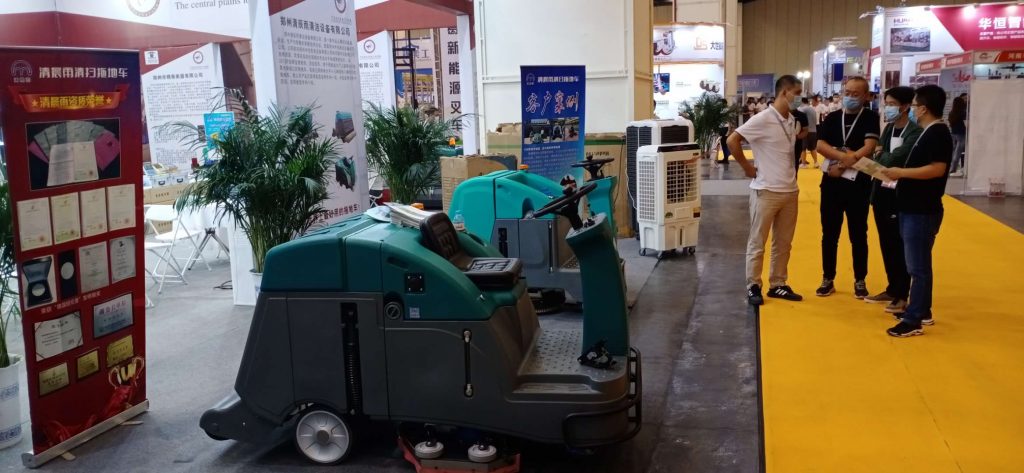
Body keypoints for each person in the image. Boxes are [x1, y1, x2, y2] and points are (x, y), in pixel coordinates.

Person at [878, 84, 953, 337]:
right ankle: (922, 310)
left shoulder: (937, 133)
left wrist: (901, 172)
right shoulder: (928, 132)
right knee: (918, 264)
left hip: (922, 209)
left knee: (917, 267)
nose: (912, 110)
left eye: (915, 106)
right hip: (912, 206)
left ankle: (913, 320)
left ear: (923, 109)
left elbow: (937, 169)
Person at [727, 75, 805, 306]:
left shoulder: (791, 119)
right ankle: (753, 284)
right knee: (758, 241)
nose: (799, 98)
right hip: (766, 190)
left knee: (784, 242)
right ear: (784, 92)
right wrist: (747, 167)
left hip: (790, 190)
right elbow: (733, 140)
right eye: (797, 93)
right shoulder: (763, 118)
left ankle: (778, 283)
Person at [815, 76, 880, 299]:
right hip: (831, 185)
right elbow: (820, 145)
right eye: (847, 93)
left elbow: (869, 146)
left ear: (866, 96)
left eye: (856, 94)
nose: (850, 97)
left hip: (859, 186)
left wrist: (843, 163)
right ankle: (827, 278)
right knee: (829, 234)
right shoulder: (833, 117)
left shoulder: (870, 117)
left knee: (858, 234)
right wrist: (845, 157)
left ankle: (860, 279)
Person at [859, 87, 921, 313]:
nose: (888, 108)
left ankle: (902, 293)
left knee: (899, 245)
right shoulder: (888, 128)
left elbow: (896, 159)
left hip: (899, 194)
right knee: (886, 243)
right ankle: (892, 287)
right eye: (887, 104)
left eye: (892, 104)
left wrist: (880, 155)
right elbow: (879, 156)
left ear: (905, 106)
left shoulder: (914, 132)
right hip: (881, 192)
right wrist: (881, 156)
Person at [948, 95, 967, 176]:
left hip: (953, 133)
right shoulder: (963, 113)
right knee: (958, 152)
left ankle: (951, 167)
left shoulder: (951, 113)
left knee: (954, 151)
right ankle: (953, 169)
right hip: (961, 134)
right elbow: (966, 124)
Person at [798, 97, 819, 167]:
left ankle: (803, 163)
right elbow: (816, 121)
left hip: (806, 131)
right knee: (812, 148)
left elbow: (800, 120)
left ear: (802, 102)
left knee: (803, 148)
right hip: (814, 131)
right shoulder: (812, 109)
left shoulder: (802, 109)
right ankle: (816, 163)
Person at [791, 96, 809, 169]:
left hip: (797, 145)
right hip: (782, 145)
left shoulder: (802, 115)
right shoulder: (782, 115)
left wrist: (796, 137)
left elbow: (805, 131)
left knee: (795, 164)